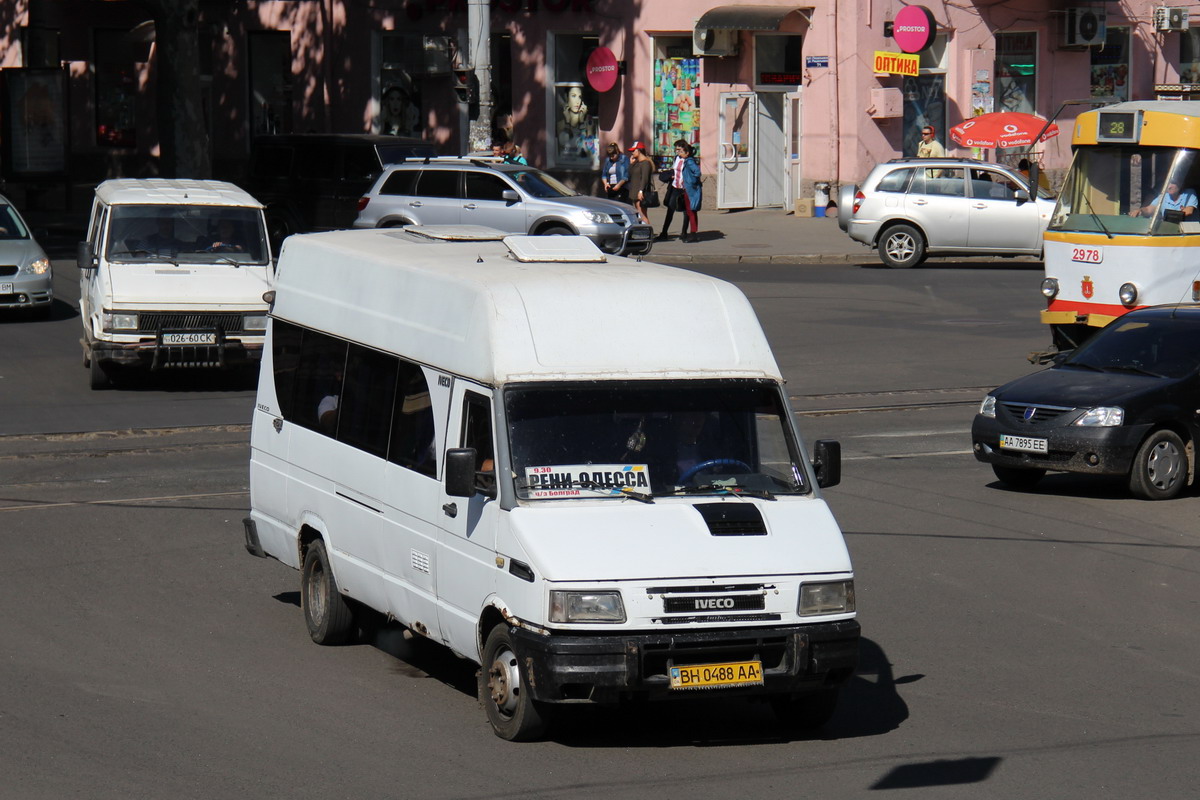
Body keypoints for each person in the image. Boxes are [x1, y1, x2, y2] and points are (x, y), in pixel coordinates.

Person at [658, 140, 701, 243]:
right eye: (676, 149)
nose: (677, 152)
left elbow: (697, 173)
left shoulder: (689, 160)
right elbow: (676, 170)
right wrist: (672, 176)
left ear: (685, 150)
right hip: (675, 186)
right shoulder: (677, 158)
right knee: (670, 209)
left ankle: (684, 233)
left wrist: (691, 183)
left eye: (679, 149)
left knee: (686, 211)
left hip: (685, 188)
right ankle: (664, 233)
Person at [1130, 181, 1199, 219]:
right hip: (1169, 232)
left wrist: (1168, 216)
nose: (1169, 186)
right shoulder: (1163, 197)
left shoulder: (1189, 193)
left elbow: (1188, 211)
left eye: (1172, 183)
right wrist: (1140, 211)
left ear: (1180, 184)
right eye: (1168, 183)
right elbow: (1149, 209)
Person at [628, 141, 654, 224]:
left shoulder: (645, 163)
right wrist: (631, 164)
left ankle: (648, 232)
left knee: (642, 214)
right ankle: (643, 231)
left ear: (639, 151)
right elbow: (630, 174)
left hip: (641, 192)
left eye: (633, 151)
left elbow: (645, 178)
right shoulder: (637, 163)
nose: (632, 153)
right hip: (635, 191)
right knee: (639, 213)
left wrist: (641, 191)